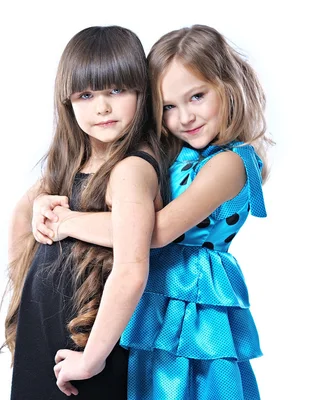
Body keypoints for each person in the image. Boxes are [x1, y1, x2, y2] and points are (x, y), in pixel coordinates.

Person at [34, 24, 273, 399]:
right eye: (168, 107)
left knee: (189, 385)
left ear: (228, 87)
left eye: (196, 97)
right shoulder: (171, 153)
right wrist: (42, 203)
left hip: (194, 297)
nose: (184, 118)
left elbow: (157, 232)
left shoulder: (231, 163)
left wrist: (69, 222)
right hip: (156, 295)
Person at [1, 25, 165, 399]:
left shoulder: (131, 168)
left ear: (143, 91)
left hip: (91, 341)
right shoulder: (73, 160)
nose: (102, 107)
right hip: (47, 332)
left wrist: (91, 359)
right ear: (68, 100)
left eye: (117, 90)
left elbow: (131, 264)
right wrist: (24, 298)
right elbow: (20, 215)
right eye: (87, 94)